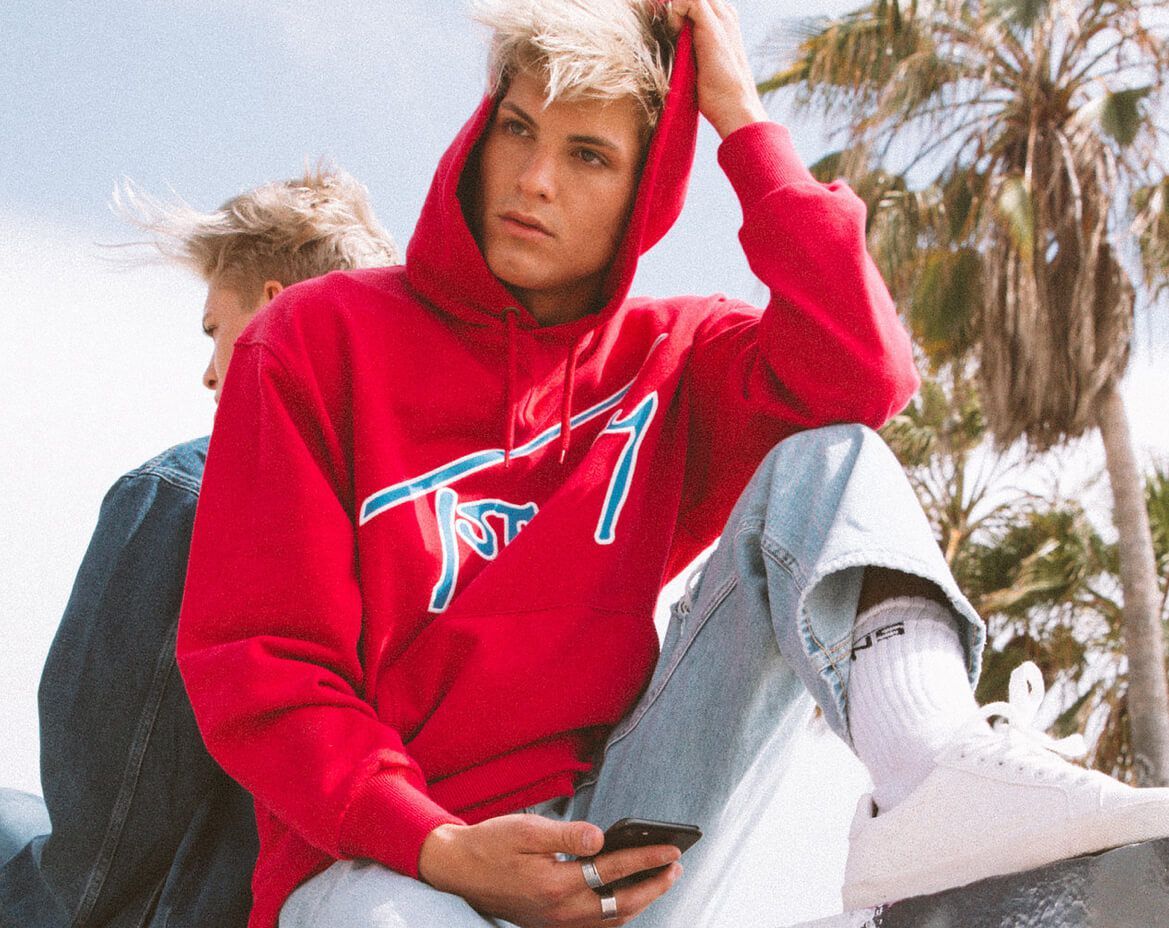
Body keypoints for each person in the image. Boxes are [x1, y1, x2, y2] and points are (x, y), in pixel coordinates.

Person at [176, 2, 1169, 927]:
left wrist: (739, 119)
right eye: (517, 130)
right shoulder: (313, 340)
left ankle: (933, 776)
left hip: (614, 840)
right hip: (385, 861)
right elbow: (262, 660)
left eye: (588, 155)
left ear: (644, 192)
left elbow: (861, 372)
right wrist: (440, 847)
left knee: (829, 457)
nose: (534, 180)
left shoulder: (675, 357)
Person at [0, 167, 401, 928]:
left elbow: (106, 828)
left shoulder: (188, 493)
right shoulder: (432, 517)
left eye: (216, 330)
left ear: (278, 309)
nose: (210, 374)